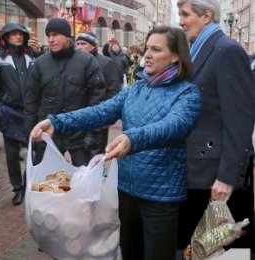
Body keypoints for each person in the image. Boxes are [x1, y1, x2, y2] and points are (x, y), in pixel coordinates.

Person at [30, 26, 202, 260]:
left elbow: (174, 126)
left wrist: (132, 138)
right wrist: (57, 122)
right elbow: (101, 111)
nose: (147, 54)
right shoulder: (136, 89)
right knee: (129, 252)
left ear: (175, 56)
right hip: (126, 191)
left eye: (156, 49)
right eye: (146, 48)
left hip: (160, 196)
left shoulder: (188, 94)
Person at [176, 0, 255, 252]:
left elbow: (240, 118)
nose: (181, 21)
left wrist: (227, 177)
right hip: (198, 171)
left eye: (185, 14)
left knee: (225, 250)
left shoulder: (226, 50)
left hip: (218, 178)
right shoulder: (198, 49)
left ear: (206, 16)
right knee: (198, 250)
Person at [25, 18, 106, 167]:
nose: (51, 39)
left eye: (55, 35)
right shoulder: (40, 64)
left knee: (83, 178)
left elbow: (97, 98)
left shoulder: (86, 61)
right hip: (48, 133)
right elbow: (31, 100)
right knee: (46, 180)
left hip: (79, 132)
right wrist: (30, 133)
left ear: (67, 36)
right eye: (49, 35)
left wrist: (93, 132)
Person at [0, 23, 42, 205]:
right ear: (5, 38)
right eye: (13, 34)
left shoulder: (30, 57)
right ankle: (17, 188)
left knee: (33, 152)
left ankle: (27, 184)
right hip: (9, 113)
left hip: (31, 113)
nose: (18, 37)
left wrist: (38, 54)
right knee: (12, 155)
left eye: (20, 34)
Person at [75, 31, 120, 161]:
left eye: (83, 43)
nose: (79, 47)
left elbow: (113, 92)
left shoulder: (106, 63)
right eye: (77, 43)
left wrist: (108, 118)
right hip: (77, 119)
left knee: (95, 160)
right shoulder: (75, 62)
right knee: (80, 161)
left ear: (93, 46)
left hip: (98, 119)